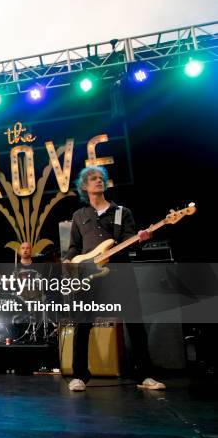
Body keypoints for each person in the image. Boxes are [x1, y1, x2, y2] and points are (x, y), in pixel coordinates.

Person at [63, 166, 165, 392]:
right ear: (84, 186)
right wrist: (69, 262)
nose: (98, 181)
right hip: (88, 275)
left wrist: (142, 238)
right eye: (93, 179)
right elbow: (74, 248)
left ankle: (145, 375)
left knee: (135, 324)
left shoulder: (122, 212)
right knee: (83, 324)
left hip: (120, 272)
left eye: (101, 178)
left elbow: (130, 242)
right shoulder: (79, 216)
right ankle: (79, 375)